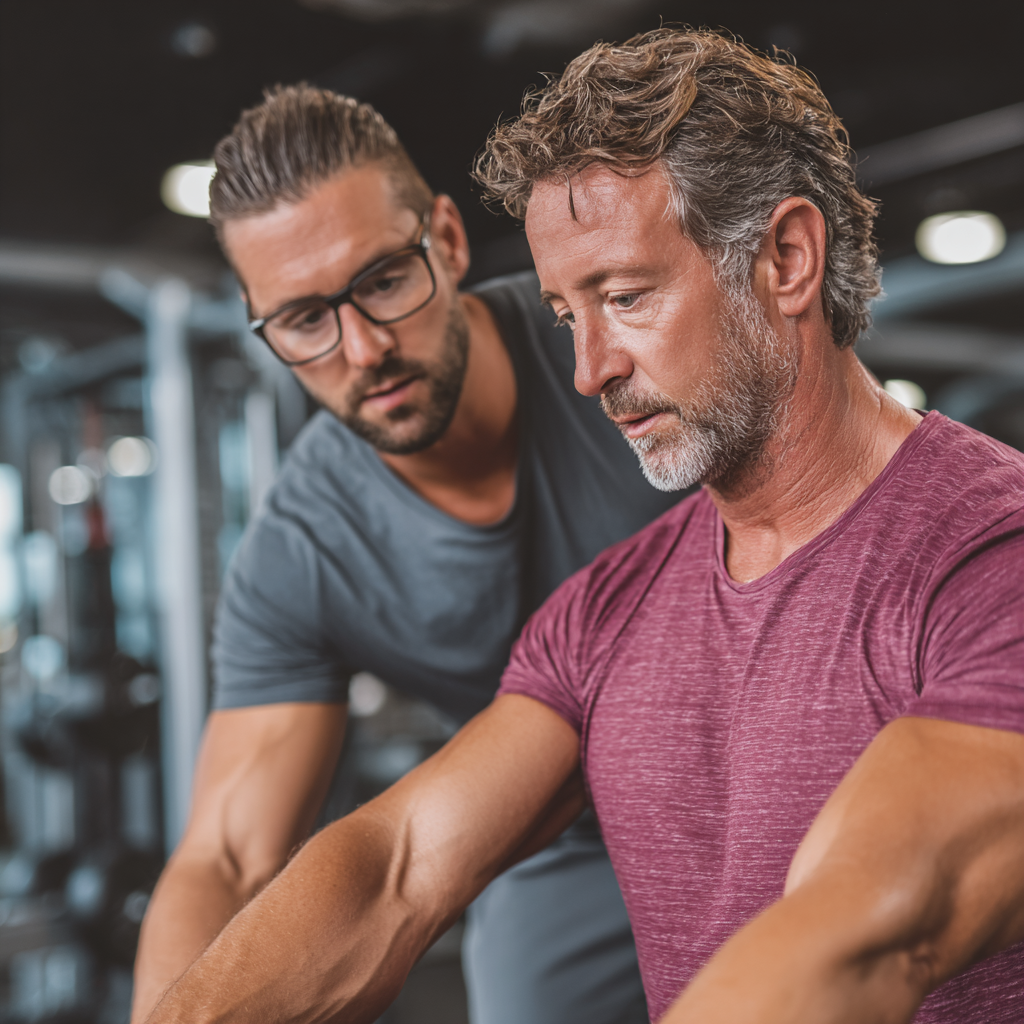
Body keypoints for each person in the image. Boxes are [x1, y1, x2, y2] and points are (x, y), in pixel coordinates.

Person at [140, 29, 1024, 1024]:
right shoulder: (604, 608)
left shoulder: (987, 557)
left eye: (624, 296)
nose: (588, 368)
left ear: (784, 258)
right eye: (568, 315)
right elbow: (394, 866)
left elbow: (867, 928)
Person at [131, 85, 681, 1024]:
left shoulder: (616, 353)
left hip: (772, 765)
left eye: (384, 279)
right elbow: (225, 857)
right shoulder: (301, 552)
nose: (363, 348)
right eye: (304, 320)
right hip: (549, 840)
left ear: (449, 240)